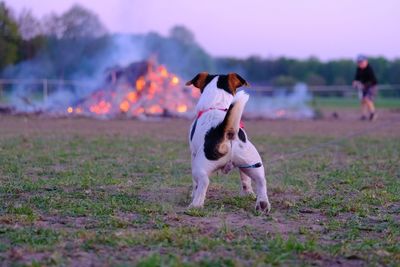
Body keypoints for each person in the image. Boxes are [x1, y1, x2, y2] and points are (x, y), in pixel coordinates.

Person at [353, 55, 378, 121]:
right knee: (363, 101)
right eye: (358, 62)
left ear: (366, 62)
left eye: (361, 62)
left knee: (367, 99)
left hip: (371, 86)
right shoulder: (359, 69)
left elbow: (373, 81)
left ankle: (373, 114)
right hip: (364, 87)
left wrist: (364, 85)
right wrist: (355, 82)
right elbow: (357, 78)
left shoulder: (369, 69)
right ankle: (363, 115)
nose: (360, 63)